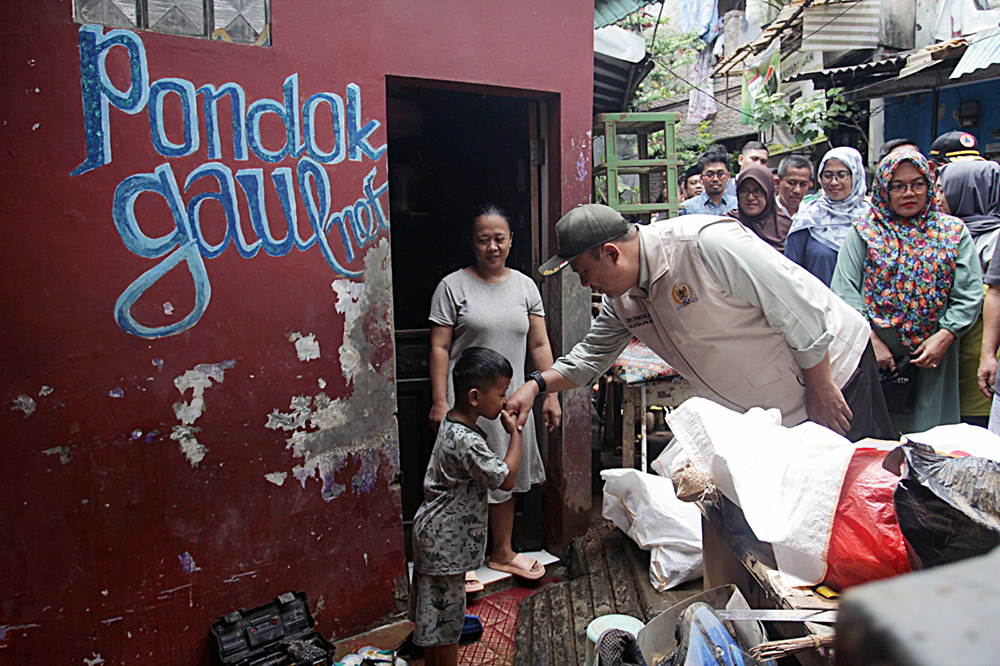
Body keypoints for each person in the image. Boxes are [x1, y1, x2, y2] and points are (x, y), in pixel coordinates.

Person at [524, 204, 893, 441]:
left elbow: (798, 308)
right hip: (777, 410)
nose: (587, 285)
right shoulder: (621, 299)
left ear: (611, 254)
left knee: (862, 500)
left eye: (585, 273)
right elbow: (590, 359)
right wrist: (536, 386)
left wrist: (822, 388)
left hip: (837, 377)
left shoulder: (704, 244)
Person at [428, 204, 556, 589]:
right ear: (473, 242)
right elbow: (439, 348)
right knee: (463, 480)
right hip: (465, 403)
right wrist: (439, 400)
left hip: (511, 398)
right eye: (484, 239)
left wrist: (549, 394)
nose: (492, 247)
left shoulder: (525, 286)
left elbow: (539, 342)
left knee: (506, 471)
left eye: (499, 238)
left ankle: (502, 552)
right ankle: (462, 557)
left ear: (511, 240)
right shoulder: (452, 287)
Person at [831, 150, 983, 436]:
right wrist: (871, 341)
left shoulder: (952, 232)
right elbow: (843, 290)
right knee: (877, 441)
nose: (908, 193)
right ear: (883, 189)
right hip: (875, 359)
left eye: (918, 184)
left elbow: (969, 293)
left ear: (930, 185)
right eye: (897, 186)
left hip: (933, 361)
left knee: (930, 443)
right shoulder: (864, 232)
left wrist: (946, 335)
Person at [410, 347, 523, 666]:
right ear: (475, 397)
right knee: (447, 629)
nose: (505, 401)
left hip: (436, 538)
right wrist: (516, 434)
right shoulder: (468, 442)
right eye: (501, 394)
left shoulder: (454, 422)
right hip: (443, 545)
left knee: (437, 626)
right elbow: (507, 479)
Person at [938, 160, 1000, 426]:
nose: (937, 198)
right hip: (945, 358)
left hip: (979, 360)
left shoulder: (994, 240)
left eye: (944, 190)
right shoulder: (940, 234)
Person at [784, 147, 871, 287]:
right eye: (828, 175)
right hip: (816, 306)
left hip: (859, 307)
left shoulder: (869, 220)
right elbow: (791, 273)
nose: (834, 182)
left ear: (855, 176)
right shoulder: (808, 218)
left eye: (841, 175)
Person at [730, 163, 793, 251]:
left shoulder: (785, 227)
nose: (750, 197)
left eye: (757, 191)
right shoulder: (730, 224)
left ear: (768, 192)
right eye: (744, 191)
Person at [681, 148, 738, 216]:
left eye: (720, 174)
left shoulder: (737, 205)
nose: (715, 179)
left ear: (728, 176)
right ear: (701, 178)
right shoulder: (687, 208)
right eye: (709, 175)